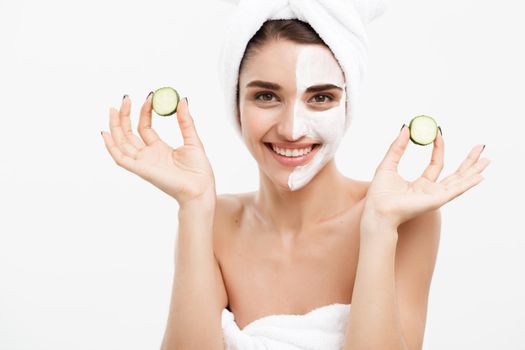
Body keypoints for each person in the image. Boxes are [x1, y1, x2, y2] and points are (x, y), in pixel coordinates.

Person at [100, 18, 490, 350]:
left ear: (347, 107)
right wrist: (195, 205)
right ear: (235, 104)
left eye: (320, 98)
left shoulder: (405, 219)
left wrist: (379, 229)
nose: (291, 129)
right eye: (267, 96)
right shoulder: (213, 220)